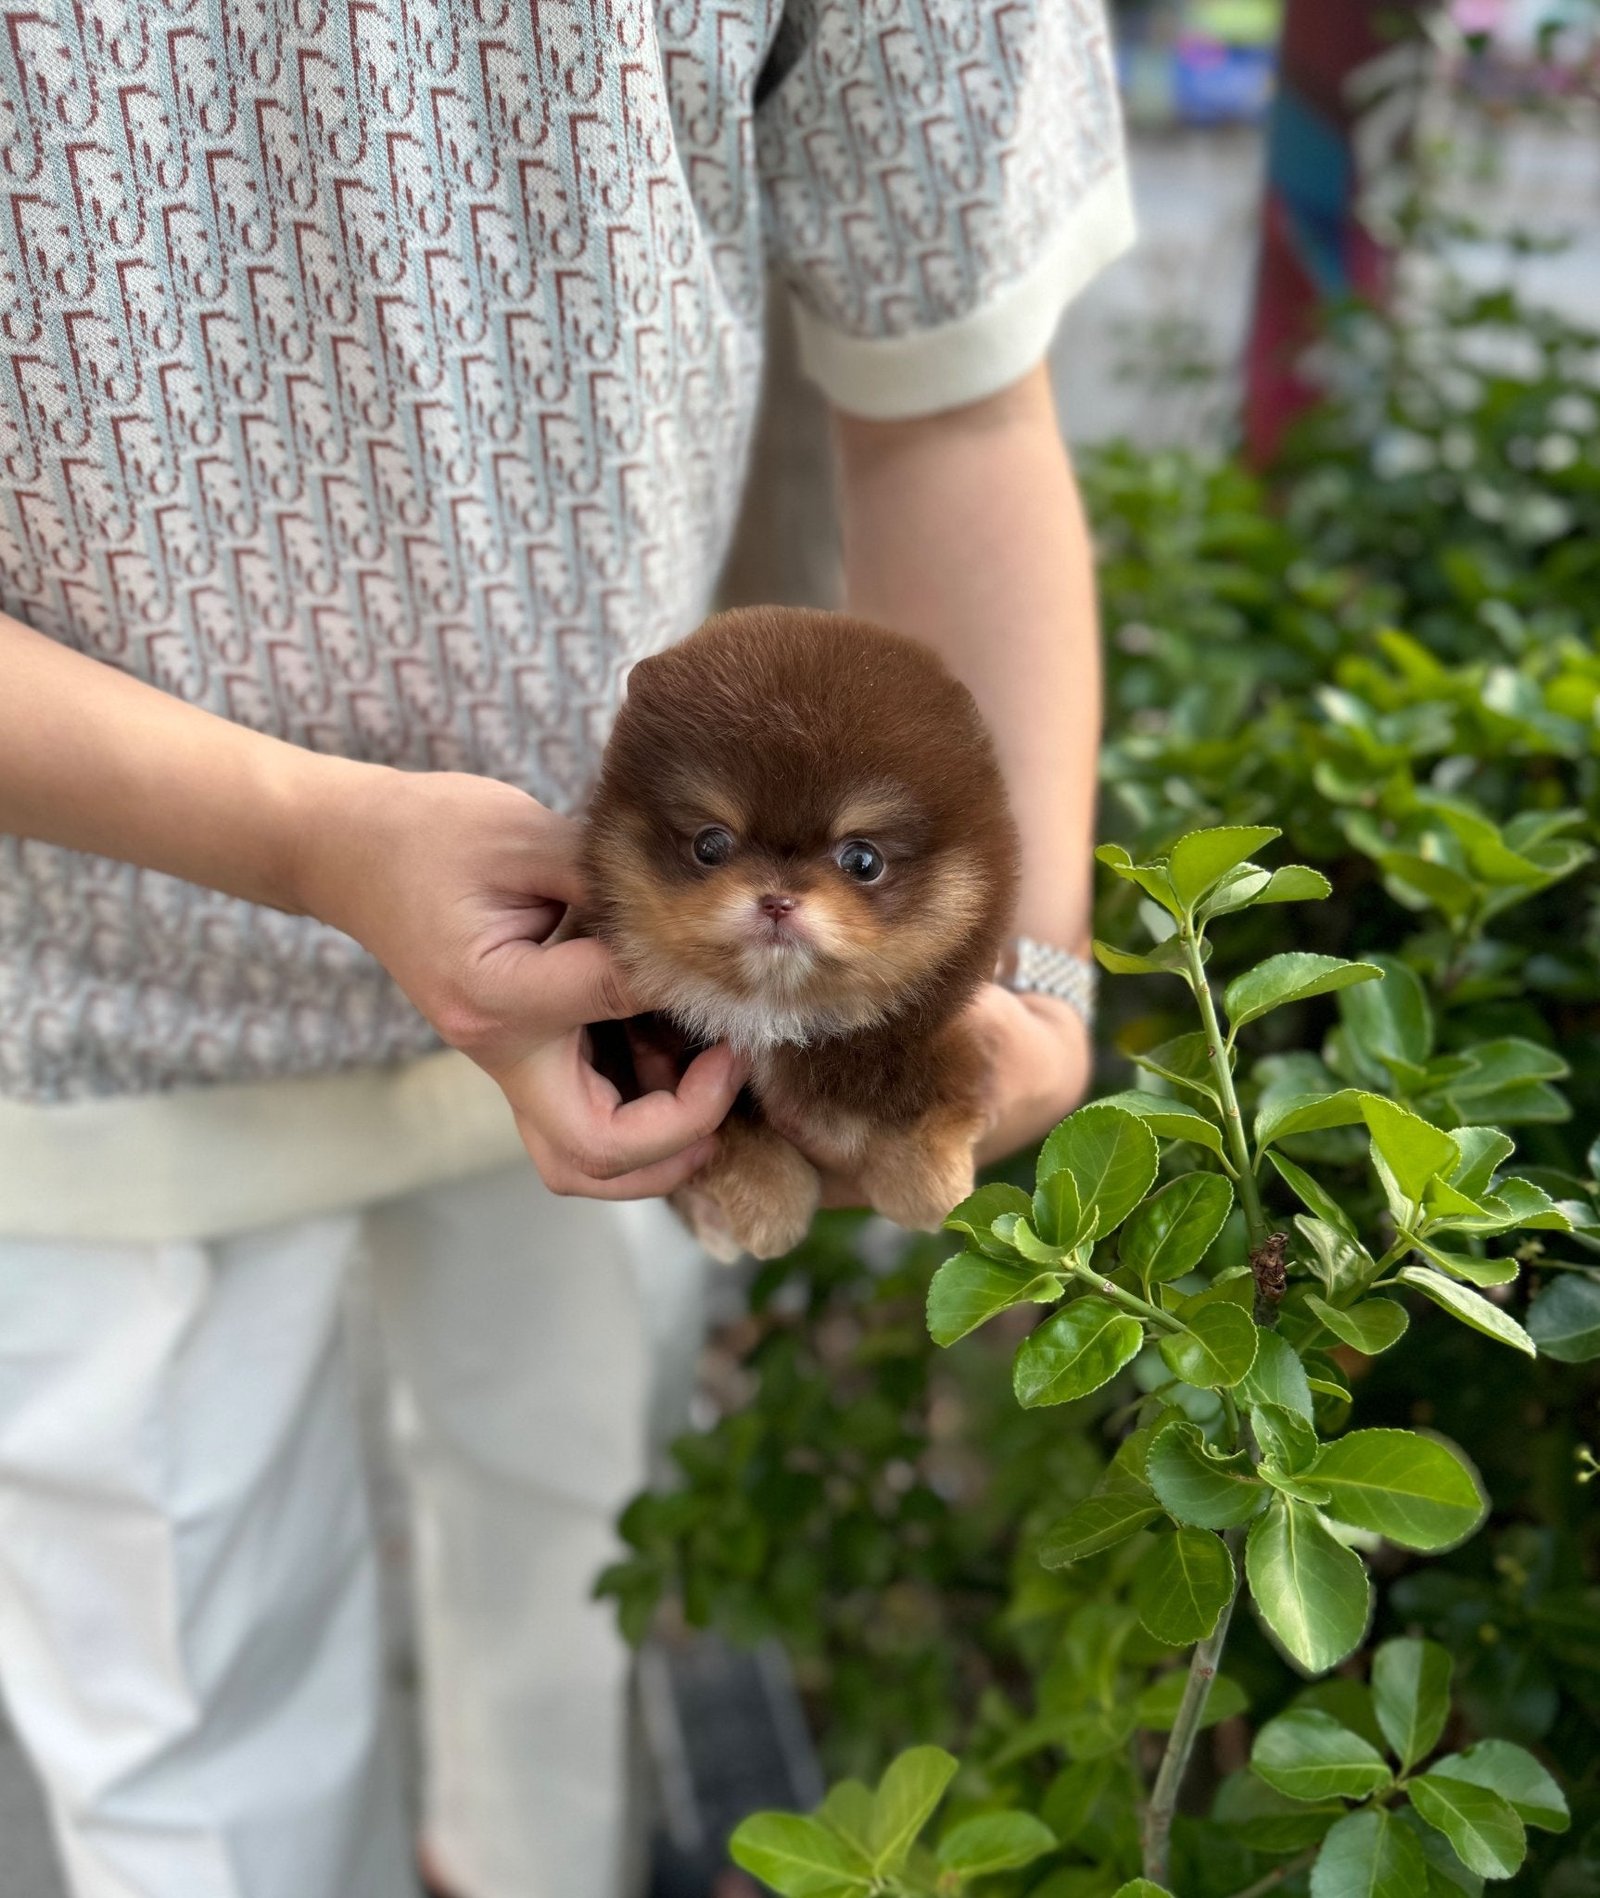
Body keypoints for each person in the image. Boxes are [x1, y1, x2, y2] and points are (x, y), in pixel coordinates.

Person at [0, 3, 1132, 1895]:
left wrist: (1025, 982)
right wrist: (301, 835)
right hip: (83, 1006)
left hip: (659, 1019)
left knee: (576, 1650)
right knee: (199, 1796)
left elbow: (955, 367)